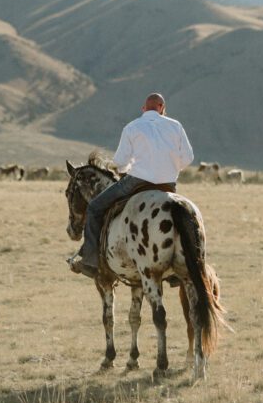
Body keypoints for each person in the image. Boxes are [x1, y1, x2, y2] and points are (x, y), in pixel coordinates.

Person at [68, 93, 194, 273]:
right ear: (162, 108)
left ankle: (90, 261)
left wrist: (127, 168)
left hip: (137, 182)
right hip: (168, 185)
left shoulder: (132, 127)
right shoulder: (176, 126)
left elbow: (120, 162)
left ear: (144, 109)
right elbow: (188, 157)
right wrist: (172, 168)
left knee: (95, 208)